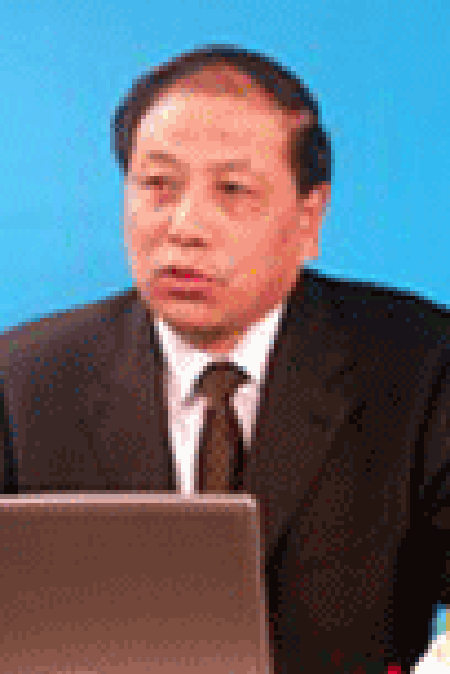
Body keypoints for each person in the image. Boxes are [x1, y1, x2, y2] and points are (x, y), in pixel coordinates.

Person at [1, 44, 449, 674]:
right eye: (157, 185)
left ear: (309, 217)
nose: (185, 227)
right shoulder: (25, 380)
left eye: (232, 190)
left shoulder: (418, 363)